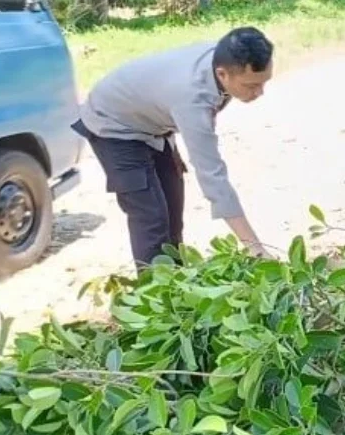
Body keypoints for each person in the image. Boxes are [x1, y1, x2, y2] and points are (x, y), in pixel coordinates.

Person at [73, 27, 274, 268]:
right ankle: (153, 298)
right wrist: (255, 248)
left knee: (173, 216)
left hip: (153, 125)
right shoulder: (192, 98)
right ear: (222, 74)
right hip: (114, 126)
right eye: (251, 85)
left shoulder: (225, 57)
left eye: (263, 83)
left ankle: (178, 286)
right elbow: (213, 177)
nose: (259, 93)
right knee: (152, 220)